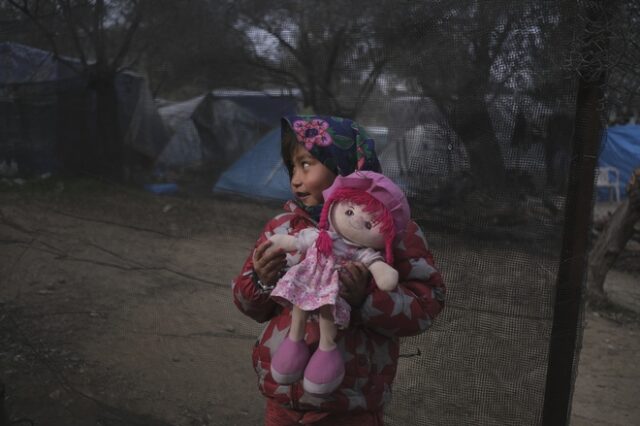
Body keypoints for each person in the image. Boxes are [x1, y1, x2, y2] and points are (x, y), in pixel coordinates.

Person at [232, 115, 445, 425]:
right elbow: (246, 302)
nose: (295, 178)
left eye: (306, 164)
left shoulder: (393, 232)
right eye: (292, 167)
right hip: (283, 399)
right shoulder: (285, 227)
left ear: (344, 165)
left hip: (350, 405)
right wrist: (262, 281)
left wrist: (366, 298)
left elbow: (428, 304)